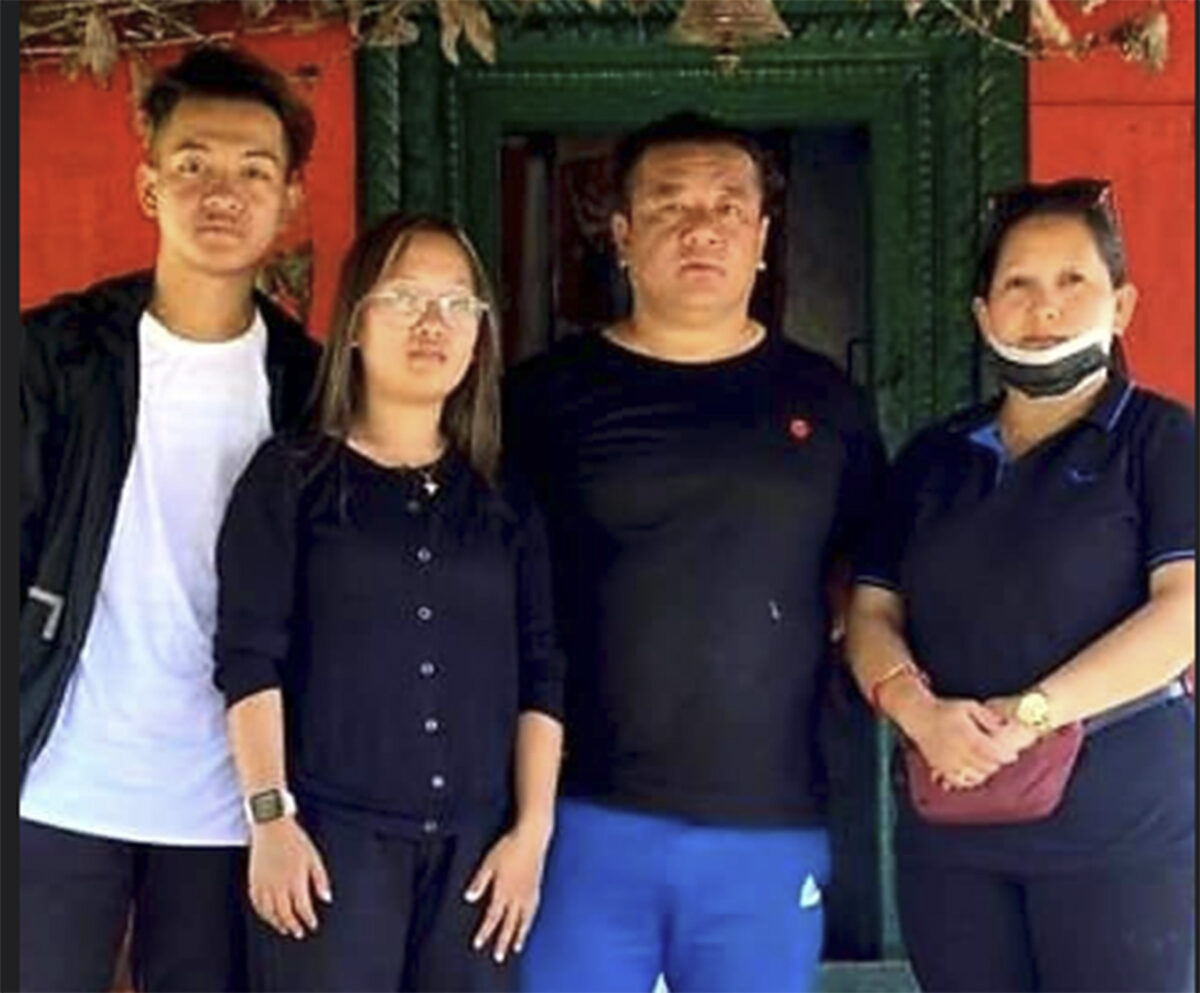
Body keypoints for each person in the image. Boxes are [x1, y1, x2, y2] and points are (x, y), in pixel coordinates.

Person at [504, 112, 886, 993]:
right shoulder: (543, 399)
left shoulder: (826, 401)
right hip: (576, 813)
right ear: (622, 235)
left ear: (762, 238)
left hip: (766, 818)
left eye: (727, 206)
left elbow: (870, 579)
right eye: (669, 206)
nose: (700, 227)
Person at [845, 178, 1195, 993]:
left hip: (1120, 825)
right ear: (983, 314)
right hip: (952, 819)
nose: (1046, 306)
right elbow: (870, 611)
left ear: (1122, 305)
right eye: (1018, 284)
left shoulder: (1159, 438)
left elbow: (1183, 611)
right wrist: (919, 712)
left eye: (1074, 280)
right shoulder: (933, 457)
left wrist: (1030, 713)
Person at [18, 46, 319, 992]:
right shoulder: (55, 356)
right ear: (148, 185)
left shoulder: (310, 386)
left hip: (230, 802)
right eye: (192, 164)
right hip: (60, 778)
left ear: (291, 199)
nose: (221, 192)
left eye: (253, 171)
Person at [214, 213, 565, 992]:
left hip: (479, 859)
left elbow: (543, 669)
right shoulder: (292, 478)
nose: (432, 322)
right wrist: (271, 818)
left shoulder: (504, 498)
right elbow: (248, 658)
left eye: (457, 303)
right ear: (354, 323)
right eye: (404, 297)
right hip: (330, 847)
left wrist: (532, 834)